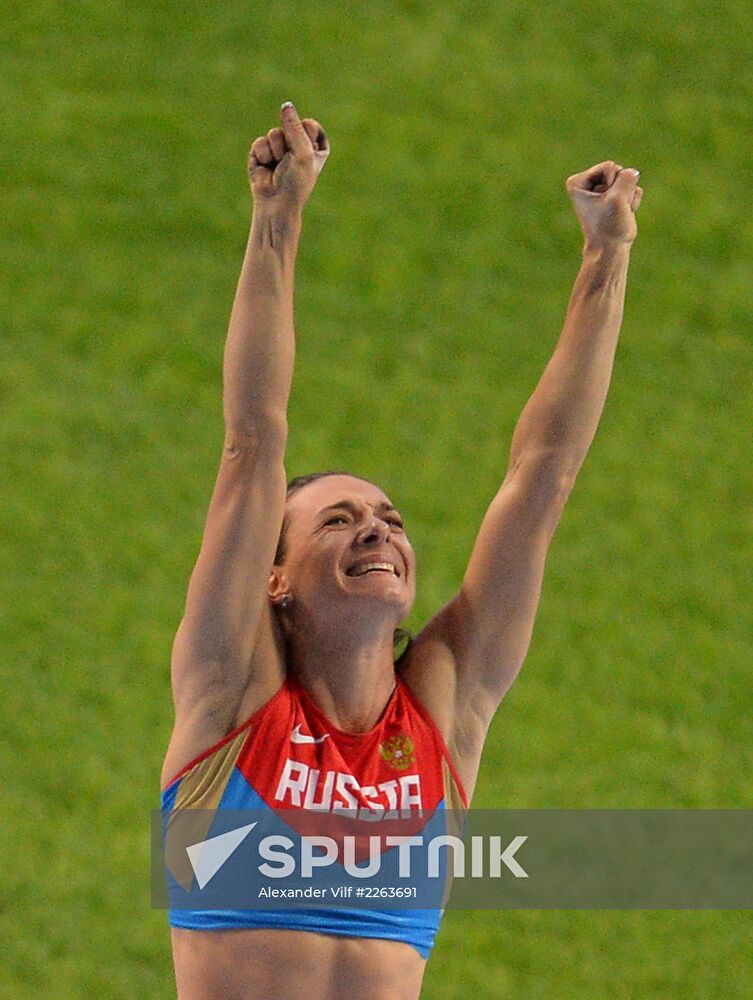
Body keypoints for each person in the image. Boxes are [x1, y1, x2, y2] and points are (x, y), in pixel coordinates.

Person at [160, 100, 643, 1000]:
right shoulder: (230, 694)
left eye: (387, 517)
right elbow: (252, 442)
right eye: (337, 520)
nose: (377, 529)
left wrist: (606, 255)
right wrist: (277, 219)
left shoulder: (443, 712)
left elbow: (544, 476)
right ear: (274, 578)